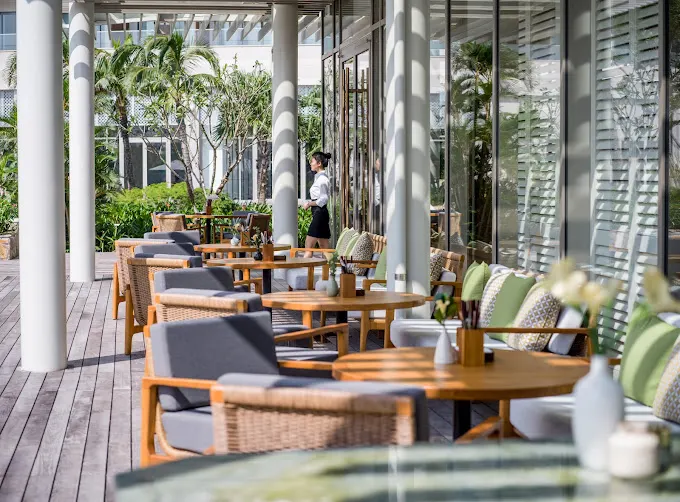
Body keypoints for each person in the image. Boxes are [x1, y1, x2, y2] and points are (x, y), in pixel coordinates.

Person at [303, 152, 332, 257]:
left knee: (309, 245)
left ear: (319, 163)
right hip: (320, 213)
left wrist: (310, 204)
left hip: (320, 213)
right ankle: (330, 270)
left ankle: (304, 270)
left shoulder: (322, 179)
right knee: (324, 247)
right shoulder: (319, 177)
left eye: (312, 161)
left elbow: (323, 199)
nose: (310, 163)